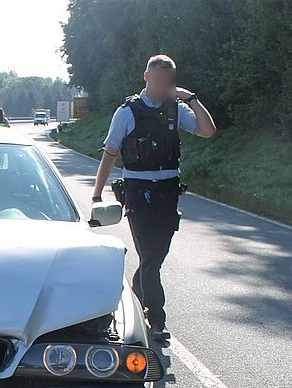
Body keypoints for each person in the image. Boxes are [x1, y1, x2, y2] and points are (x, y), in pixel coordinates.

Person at [92, 54, 215, 341]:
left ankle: (135, 294)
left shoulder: (176, 109)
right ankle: (156, 319)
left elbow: (208, 131)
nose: (161, 87)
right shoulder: (127, 112)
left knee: (155, 258)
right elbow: (110, 154)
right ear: (146, 77)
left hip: (168, 193)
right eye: (157, 80)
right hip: (137, 193)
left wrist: (191, 99)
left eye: (167, 82)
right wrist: (97, 195)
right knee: (149, 256)